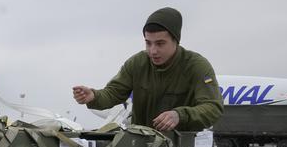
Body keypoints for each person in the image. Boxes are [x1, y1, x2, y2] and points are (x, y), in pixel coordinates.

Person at [72, 7, 223, 132]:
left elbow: (213, 107)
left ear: (176, 41)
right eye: (148, 43)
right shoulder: (138, 63)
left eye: (160, 43)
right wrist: (94, 96)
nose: (153, 51)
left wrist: (180, 115)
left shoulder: (196, 66)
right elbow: (113, 93)